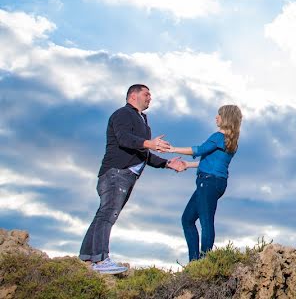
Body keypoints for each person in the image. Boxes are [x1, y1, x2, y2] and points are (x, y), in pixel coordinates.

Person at [80, 84, 186, 274]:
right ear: (133, 96)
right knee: (107, 214)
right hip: (116, 173)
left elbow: (143, 153)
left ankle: (87, 258)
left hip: (126, 176)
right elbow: (123, 138)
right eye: (146, 94)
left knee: (103, 214)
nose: (150, 98)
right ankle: (100, 260)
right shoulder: (122, 114)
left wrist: (167, 163)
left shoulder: (143, 121)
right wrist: (149, 143)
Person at [167, 104, 242, 261]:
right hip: (216, 182)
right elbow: (211, 161)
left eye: (219, 114)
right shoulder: (231, 141)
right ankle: (196, 262)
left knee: (206, 221)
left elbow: (199, 150)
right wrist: (188, 164)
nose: (216, 117)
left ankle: (203, 263)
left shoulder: (218, 137)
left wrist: (172, 149)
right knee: (187, 219)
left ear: (226, 117)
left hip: (208, 182)